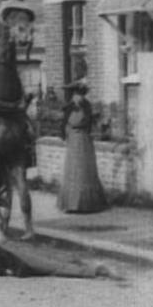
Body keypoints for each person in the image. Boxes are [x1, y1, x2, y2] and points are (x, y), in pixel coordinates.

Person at [58, 81, 108, 213]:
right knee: (80, 169)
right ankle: (79, 203)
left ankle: (77, 204)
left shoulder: (79, 104)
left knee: (79, 169)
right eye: (75, 94)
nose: (76, 97)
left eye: (77, 93)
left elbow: (68, 120)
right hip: (80, 138)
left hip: (79, 138)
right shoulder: (82, 104)